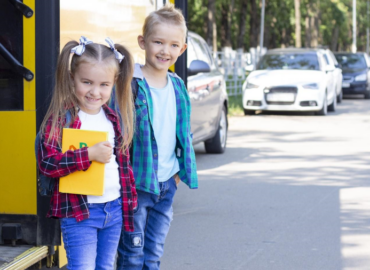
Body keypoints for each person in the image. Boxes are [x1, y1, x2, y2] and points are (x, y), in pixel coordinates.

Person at [38, 36, 137, 270]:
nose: (95, 92)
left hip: (113, 209)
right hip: (79, 213)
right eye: (87, 82)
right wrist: (88, 155)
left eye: (104, 85)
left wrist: (128, 203)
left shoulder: (113, 118)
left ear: (114, 83)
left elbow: (122, 166)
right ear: (72, 79)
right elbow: (47, 163)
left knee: (105, 267)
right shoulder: (63, 119)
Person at [116, 4, 198, 270]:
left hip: (166, 184)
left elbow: (183, 132)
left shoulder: (177, 86)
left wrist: (177, 174)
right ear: (143, 42)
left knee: (153, 255)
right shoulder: (129, 84)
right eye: (158, 42)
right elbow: (116, 132)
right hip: (136, 186)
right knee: (132, 254)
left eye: (174, 45)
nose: (165, 51)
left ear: (182, 49)